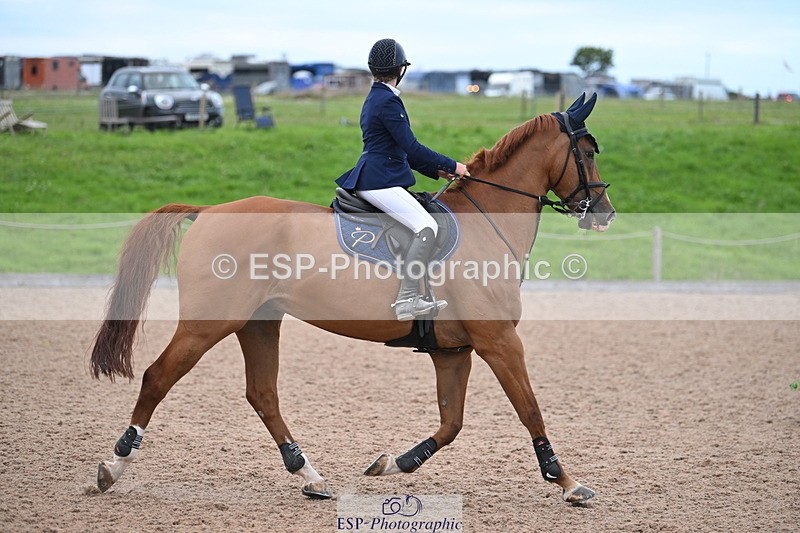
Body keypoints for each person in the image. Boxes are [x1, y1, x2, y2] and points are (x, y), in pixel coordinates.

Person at [336, 38, 469, 321]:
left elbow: (400, 150)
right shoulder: (387, 100)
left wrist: (436, 171)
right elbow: (411, 146)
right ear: (401, 70)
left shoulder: (377, 97)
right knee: (426, 225)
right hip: (378, 180)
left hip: (380, 174)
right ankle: (407, 299)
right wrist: (453, 164)